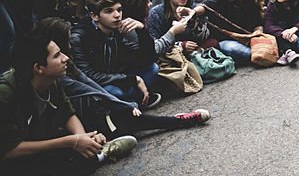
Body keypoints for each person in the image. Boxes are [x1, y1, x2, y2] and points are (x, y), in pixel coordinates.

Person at [0, 29, 138, 176]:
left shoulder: (52, 80)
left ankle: (88, 159)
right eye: (57, 55)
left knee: (61, 161)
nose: (66, 58)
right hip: (8, 157)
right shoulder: (6, 94)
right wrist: (71, 142)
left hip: (32, 144)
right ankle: (95, 158)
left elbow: (67, 113)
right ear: (38, 68)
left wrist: (83, 138)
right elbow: (9, 150)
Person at [37, 17, 210, 144]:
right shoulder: (53, 77)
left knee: (129, 115)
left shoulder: (67, 62)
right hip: (64, 127)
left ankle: (178, 120)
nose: (67, 51)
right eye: (62, 47)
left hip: (90, 111)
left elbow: (89, 84)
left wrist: (121, 104)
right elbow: (87, 88)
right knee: (122, 114)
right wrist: (121, 104)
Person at [70, 0, 160, 109]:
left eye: (119, 9)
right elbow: (89, 75)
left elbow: (145, 59)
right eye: (109, 11)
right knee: (115, 92)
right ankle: (132, 102)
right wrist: (132, 80)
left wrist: (142, 31)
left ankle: (134, 102)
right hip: (99, 84)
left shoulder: (116, 28)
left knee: (152, 68)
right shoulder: (81, 37)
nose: (117, 15)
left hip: (116, 76)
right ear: (94, 16)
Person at [194, 0, 265, 66]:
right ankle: (260, 56)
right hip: (224, 40)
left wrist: (258, 32)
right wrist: (192, 12)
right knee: (236, 50)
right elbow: (205, 7)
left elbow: (258, 23)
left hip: (246, 38)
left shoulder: (253, 0)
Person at [146, 0, 212, 57]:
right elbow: (154, 44)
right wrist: (180, 45)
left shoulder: (193, 9)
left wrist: (193, 22)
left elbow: (205, 37)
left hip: (195, 52)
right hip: (169, 55)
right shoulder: (156, 13)